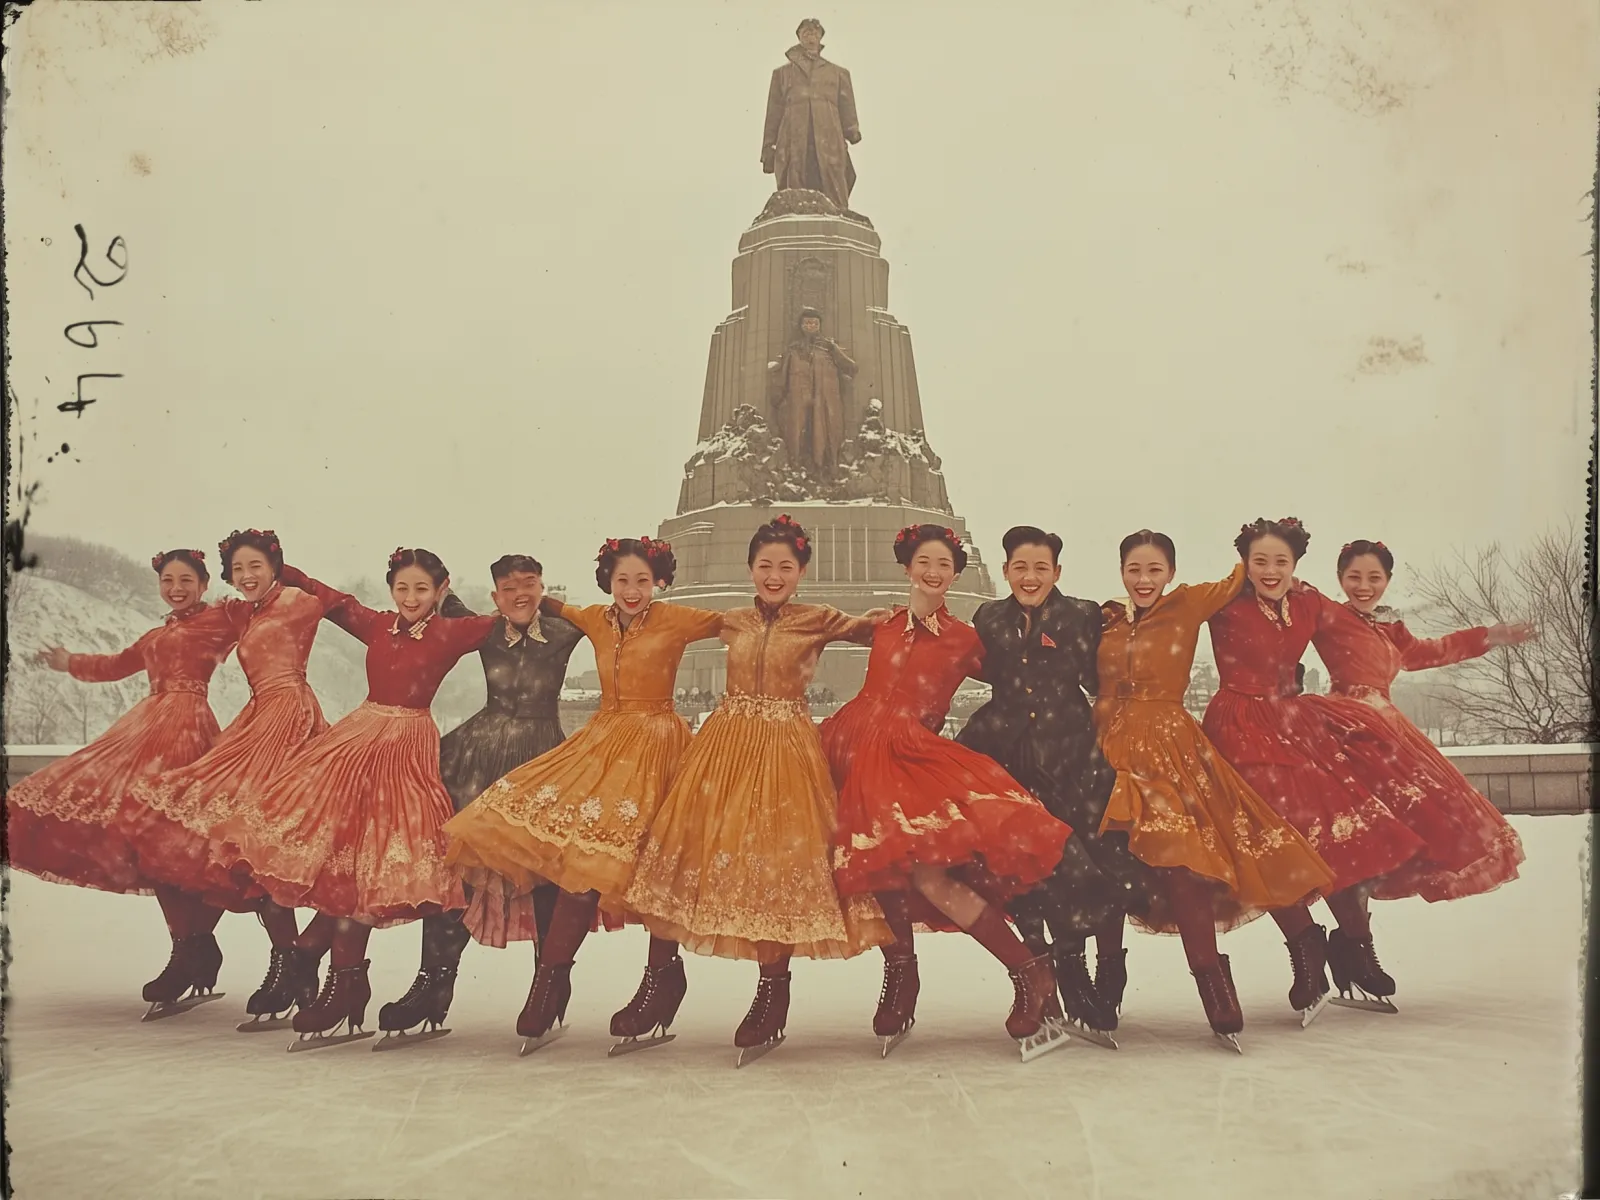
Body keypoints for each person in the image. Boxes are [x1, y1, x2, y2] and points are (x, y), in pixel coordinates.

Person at [620, 515, 892, 1065]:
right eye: (764, 565)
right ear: (750, 570)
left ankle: (773, 992)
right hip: (724, 747)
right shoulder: (732, 619)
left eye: (785, 567)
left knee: (777, 866)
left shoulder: (818, 618)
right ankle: (661, 977)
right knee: (683, 854)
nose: (774, 575)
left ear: (800, 572)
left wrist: (905, 614)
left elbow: (872, 630)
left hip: (786, 750)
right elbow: (665, 623)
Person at [443, 536, 725, 1053]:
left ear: (659, 581)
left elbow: (734, 624)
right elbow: (547, 604)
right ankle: (550, 982)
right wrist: (510, 597)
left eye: (643, 580)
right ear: (609, 583)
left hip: (658, 744)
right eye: (623, 580)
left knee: (657, 869)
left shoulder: (674, 619)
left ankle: (661, 978)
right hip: (603, 743)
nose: (633, 590)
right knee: (580, 867)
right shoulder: (596, 618)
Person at [208, 549, 498, 1048]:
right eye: (402, 589)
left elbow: (501, 622)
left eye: (422, 590)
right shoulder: (380, 626)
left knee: (373, 863)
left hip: (405, 750)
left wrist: (483, 603)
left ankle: (330, 972)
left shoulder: (450, 633)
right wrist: (288, 573)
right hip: (355, 744)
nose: (410, 599)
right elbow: (336, 603)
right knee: (337, 856)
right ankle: (339, 980)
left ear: (441, 590)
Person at [821, 524, 1074, 1061]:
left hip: (910, 754)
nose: (933, 573)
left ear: (956, 575)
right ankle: (901, 975)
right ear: (908, 567)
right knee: (878, 866)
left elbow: (1019, 670)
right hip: (852, 745)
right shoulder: (882, 623)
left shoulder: (965, 639)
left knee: (925, 873)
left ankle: (1029, 969)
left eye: (944, 566)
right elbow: (812, 631)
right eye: (924, 563)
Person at [1096, 529, 1333, 1051]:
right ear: (1121, 572)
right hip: (1110, 751)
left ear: (1170, 573)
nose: (1144, 580)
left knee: (1201, 856)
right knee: (1109, 864)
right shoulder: (1107, 622)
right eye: (1134, 570)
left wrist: (1268, 544)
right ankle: (1105, 979)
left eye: (1155, 570)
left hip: (1172, 749)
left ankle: (1221, 978)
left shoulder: (1187, 605)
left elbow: (1240, 575)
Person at [8, 549, 240, 1017]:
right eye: (167, 580)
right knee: (150, 845)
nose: (176, 589)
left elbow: (266, 619)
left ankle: (194, 948)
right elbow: (114, 665)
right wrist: (68, 661)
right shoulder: (156, 635)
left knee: (182, 844)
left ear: (203, 583)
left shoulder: (223, 618)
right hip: (144, 730)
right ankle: (191, 948)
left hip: (188, 729)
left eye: (186, 580)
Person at [121, 529, 333, 1026]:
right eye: (238, 570)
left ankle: (291, 964)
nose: (246, 577)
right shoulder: (242, 611)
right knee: (190, 829)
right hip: (255, 720)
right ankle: (209, 950)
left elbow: (341, 607)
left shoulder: (300, 602)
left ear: (275, 565)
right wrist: (184, 601)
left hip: (289, 720)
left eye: (255, 566)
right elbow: (195, 617)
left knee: (259, 842)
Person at [958, 526, 1159, 1046]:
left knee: (1086, 857)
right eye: (1020, 567)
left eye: (1040, 568)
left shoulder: (1084, 615)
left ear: (1057, 573)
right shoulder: (988, 617)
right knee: (1020, 865)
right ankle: (1040, 973)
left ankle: (1080, 966)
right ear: (1005, 571)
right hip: (1005, 751)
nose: (1030, 577)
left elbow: (1109, 670)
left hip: (1072, 751)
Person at [374, 553, 586, 1042]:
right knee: (457, 863)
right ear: (495, 596)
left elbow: (617, 619)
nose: (520, 595)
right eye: (509, 588)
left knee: (547, 868)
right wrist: (413, 566)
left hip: (540, 757)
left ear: (541, 586)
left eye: (529, 584)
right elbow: (435, 598)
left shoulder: (563, 631)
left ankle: (549, 981)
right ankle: (434, 981)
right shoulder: (483, 629)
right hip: (480, 754)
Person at [1310, 537, 1529, 1006]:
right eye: (1354, 577)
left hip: (1388, 739)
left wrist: (1487, 637)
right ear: (1340, 579)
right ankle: (1357, 949)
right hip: (1344, 734)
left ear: (1387, 581)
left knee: (1385, 847)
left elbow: (1429, 652)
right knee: (1351, 847)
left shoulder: (1391, 627)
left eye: (1374, 578)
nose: (1363, 586)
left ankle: (1350, 948)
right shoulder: (1327, 613)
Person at [761, 17, 862, 210]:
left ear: (821, 37)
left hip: (828, 134)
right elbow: (773, 112)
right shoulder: (782, 74)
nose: (810, 36)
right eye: (806, 32)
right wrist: (768, 147)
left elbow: (846, 104)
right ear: (799, 36)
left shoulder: (838, 73)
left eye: (814, 32)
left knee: (832, 176)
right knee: (795, 178)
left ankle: (837, 212)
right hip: (793, 134)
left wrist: (852, 129)